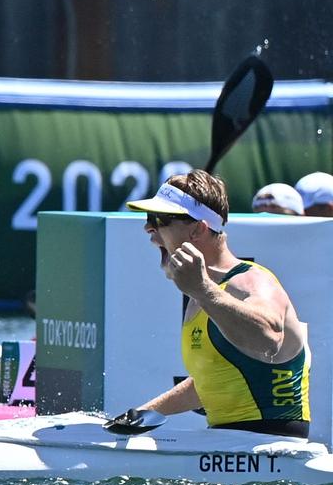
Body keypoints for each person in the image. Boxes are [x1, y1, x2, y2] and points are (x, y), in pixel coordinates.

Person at [125, 170, 310, 438]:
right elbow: (215, 381)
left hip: (272, 451)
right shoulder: (204, 293)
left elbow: (270, 340)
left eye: (159, 220)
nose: (148, 228)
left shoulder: (251, 282)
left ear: (198, 228)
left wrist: (203, 290)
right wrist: (144, 413)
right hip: (228, 447)